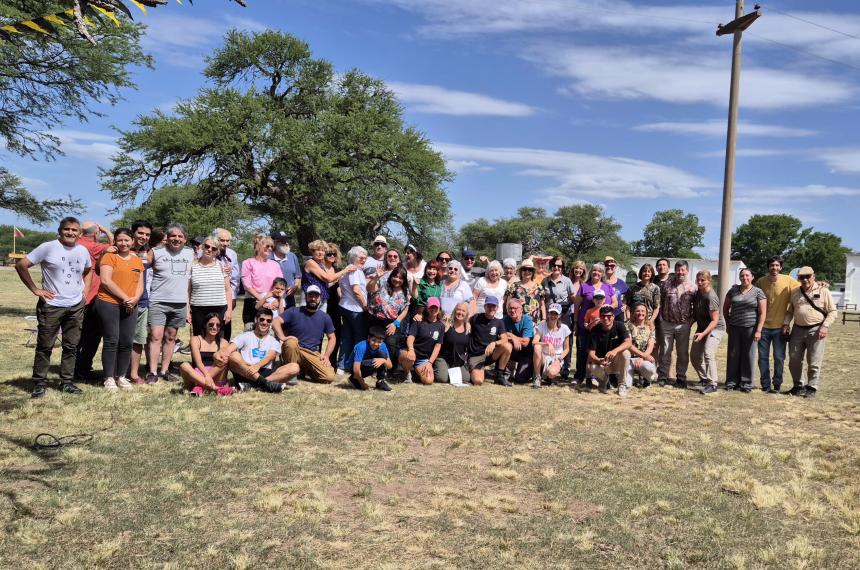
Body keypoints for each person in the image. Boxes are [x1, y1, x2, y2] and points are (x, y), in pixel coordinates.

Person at [17, 217, 92, 398]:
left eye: (75, 230)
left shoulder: (83, 251)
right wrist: (35, 289)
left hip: (75, 305)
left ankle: (67, 382)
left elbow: (89, 270)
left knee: (71, 346)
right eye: (67, 229)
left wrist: (85, 292)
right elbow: (22, 265)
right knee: (45, 346)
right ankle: (39, 383)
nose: (70, 233)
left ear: (80, 234)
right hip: (51, 305)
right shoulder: (48, 247)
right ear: (60, 230)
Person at [95, 228, 144, 391]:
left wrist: (135, 299)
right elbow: (106, 281)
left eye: (127, 240)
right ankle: (109, 377)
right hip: (109, 302)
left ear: (132, 241)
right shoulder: (109, 256)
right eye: (120, 240)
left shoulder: (137, 260)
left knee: (126, 342)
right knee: (111, 340)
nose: (124, 243)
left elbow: (140, 284)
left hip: (131, 304)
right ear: (115, 241)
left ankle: (121, 376)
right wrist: (125, 298)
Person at [146, 223, 194, 384]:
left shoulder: (190, 253)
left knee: (171, 337)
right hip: (158, 300)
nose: (176, 239)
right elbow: (140, 264)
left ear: (185, 239)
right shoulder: (156, 252)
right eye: (173, 236)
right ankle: (152, 371)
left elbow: (207, 261)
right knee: (156, 336)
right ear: (167, 238)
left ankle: (164, 370)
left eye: (180, 236)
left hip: (179, 302)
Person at [783, 266, 837, 399]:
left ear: (814, 276)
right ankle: (798, 386)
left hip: (817, 329)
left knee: (814, 360)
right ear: (798, 278)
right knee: (794, 359)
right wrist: (786, 323)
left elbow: (833, 311)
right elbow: (790, 311)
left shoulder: (823, 290)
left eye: (808, 276)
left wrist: (825, 326)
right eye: (802, 277)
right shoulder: (795, 292)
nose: (805, 279)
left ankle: (812, 387)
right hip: (797, 329)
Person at [73, 220, 113, 381]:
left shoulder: (75, 244)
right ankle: (83, 368)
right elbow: (116, 244)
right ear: (96, 233)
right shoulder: (94, 247)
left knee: (76, 336)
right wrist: (106, 230)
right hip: (91, 297)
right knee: (92, 336)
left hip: (75, 295)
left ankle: (71, 367)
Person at [274, 285, 337, 383]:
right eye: (310, 295)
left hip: (312, 353)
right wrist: (282, 337)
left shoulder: (325, 317)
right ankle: (291, 374)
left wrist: (327, 356)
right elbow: (276, 321)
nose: (313, 299)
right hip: (295, 349)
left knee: (329, 377)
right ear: (306, 297)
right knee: (290, 343)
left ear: (320, 298)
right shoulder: (294, 311)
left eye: (316, 296)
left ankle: (304, 370)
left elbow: (332, 338)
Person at [227, 308, 298, 392]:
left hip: (264, 371)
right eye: (262, 319)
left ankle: (252, 385)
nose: (265, 323)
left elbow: (270, 356)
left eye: (268, 321)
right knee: (233, 355)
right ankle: (265, 384)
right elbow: (229, 349)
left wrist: (258, 365)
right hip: (245, 371)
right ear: (256, 320)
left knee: (294, 367)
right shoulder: (245, 336)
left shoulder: (273, 341)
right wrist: (247, 365)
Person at [755, 257, 798, 393]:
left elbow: (804, 287)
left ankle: (777, 385)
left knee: (779, 358)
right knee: (762, 358)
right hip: (763, 327)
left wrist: (820, 284)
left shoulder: (789, 280)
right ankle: (765, 385)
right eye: (772, 265)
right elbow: (751, 294)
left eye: (777, 265)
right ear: (768, 267)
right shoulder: (761, 281)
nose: (774, 267)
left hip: (780, 327)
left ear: (781, 267)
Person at [723, 268, 767, 393]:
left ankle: (746, 384)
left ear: (752, 277)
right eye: (742, 275)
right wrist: (728, 324)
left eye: (747, 275)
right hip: (735, 328)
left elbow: (763, 313)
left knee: (749, 355)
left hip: (751, 328)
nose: (745, 278)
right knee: (733, 355)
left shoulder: (758, 292)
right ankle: (731, 382)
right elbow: (725, 308)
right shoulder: (733, 290)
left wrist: (758, 330)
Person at [657, 260, 696, 389]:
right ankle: (662, 376)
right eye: (678, 270)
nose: (680, 272)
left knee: (682, 353)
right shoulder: (666, 285)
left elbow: (696, 306)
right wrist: (662, 319)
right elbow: (660, 302)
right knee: (665, 351)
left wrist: (691, 321)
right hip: (667, 323)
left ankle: (681, 377)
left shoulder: (693, 287)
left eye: (683, 270)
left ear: (687, 271)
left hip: (683, 325)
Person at [573, 263, 615, 383]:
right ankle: (579, 376)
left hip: (602, 326)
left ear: (602, 274)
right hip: (585, 325)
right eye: (594, 270)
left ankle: (596, 376)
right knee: (582, 350)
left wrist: (608, 306)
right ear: (591, 272)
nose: (596, 273)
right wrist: (576, 322)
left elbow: (615, 303)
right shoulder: (584, 286)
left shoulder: (608, 287)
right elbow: (576, 306)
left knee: (598, 351)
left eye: (599, 271)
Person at [366, 266, 410, 377]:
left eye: (401, 278)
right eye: (395, 276)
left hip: (391, 322)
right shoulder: (383, 283)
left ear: (404, 280)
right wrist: (376, 277)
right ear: (391, 276)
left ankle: (385, 368)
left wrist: (396, 323)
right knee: (374, 344)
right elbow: (369, 289)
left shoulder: (405, 292)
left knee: (390, 345)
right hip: (375, 319)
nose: (397, 279)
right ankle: (372, 368)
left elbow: (405, 310)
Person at [178, 313, 234, 396]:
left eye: (218, 325)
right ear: (205, 325)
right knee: (184, 365)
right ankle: (216, 389)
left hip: (217, 377)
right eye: (211, 324)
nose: (214, 327)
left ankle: (200, 387)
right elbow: (198, 362)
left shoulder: (224, 342)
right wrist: (207, 376)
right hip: (200, 375)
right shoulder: (196, 340)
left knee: (223, 360)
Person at [688, 270, 725, 395]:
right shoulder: (698, 293)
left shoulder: (711, 297)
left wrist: (703, 334)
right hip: (702, 328)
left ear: (709, 280)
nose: (699, 282)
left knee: (708, 353)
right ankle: (704, 378)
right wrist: (689, 324)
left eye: (702, 280)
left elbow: (715, 320)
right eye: (698, 280)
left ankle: (713, 384)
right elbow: (696, 313)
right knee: (694, 356)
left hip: (716, 328)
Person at [188, 236, 232, 336]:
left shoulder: (222, 266)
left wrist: (229, 310)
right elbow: (188, 291)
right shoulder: (192, 266)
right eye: (207, 246)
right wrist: (187, 311)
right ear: (202, 247)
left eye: (213, 248)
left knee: (219, 339)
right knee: (199, 338)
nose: (209, 250)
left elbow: (228, 290)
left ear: (217, 252)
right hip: (198, 308)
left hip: (219, 308)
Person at [336, 246, 369, 374]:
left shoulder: (349, 270)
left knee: (346, 336)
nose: (363, 260)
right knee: (359, 338)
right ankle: (355, 365)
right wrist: (365, 305)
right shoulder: (354, 270)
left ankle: (342, 365)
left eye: (365, 258)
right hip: (355, 309)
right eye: (361, 258)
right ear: (354, 258)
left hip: (345, 306)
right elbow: (356, 290)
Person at [466, 296, 512, 386]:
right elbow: (467, 319)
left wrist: (494, 343)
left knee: (508, 346)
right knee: (478, 381)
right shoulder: (476, 318)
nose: (491, 308)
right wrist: (467, 323)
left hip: (489, 354)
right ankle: (472, 370)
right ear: (485, 307)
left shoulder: (499, 322)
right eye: (489, 306)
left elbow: (505, 338)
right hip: (476, 355)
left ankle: (499, 376)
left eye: (494, 306)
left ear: (497, 308)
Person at [588, 306, 632, 396]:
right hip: (603, 362)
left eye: (609, 316)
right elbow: (591, 353)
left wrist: (614, 351)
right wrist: (598, 360)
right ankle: (604, 381)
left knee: (626, 353)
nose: (606, 318)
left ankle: (621, 384)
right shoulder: (595, 329)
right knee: (591, 366)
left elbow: (628, 343)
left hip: (617, 361)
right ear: (599, 317)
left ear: (613, 316)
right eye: (603, 316)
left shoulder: (619, 325)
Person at [129, 220, 153, 383]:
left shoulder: (147, 252)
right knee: (118, 340)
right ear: (133, 233)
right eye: (140, 233)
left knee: (138, 340)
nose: (143, 237)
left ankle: (133, 374)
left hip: (142, 301)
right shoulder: (121, 249)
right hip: (121, 301)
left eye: (147, 234)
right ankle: (115, 373)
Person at [400, 297, 444, 385]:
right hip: (412, 352)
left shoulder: (441, 326)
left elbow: (437, 346)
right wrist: (411, 350)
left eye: (436, 307)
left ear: (439, 309)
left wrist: (430, 363)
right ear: (427, 308)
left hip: (423, 359)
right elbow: (410, 337)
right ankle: (406, 373)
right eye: (431, 307)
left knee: (428, 381)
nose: (433, 309)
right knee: (408, 357)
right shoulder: (419, 320)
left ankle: (415, 372)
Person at [302, 239, 355, 312]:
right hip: (312, 299)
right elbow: (328, 278)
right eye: (318, 250)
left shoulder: (319, 264)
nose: (321, 253)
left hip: (322, 298)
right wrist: (346, 270)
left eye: (323, 250)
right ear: (312, 251)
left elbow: (326, 284)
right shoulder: (310, 263)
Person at [240, 235, 282, 327]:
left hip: (272, 304)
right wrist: (263, 301)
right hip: (252, 303)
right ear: (258, 246)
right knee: (251, 333)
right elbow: (247, 286)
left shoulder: (275, 265)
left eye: (271, 246)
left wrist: (278, 301)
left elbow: (281, 285)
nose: (270, 248)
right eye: (267, 246)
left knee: (272, 335)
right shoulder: (247, 263)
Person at [532, 303, 571, 389]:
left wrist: (559, 359)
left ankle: (548, 375)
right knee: (537, 347)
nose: (553, 316)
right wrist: (547, 343)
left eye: (555, 314)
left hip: (557, 357)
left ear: (559, 315)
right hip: (543, 356)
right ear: (548, 313)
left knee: (551, 372)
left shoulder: (564, 329)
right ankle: (537, 377)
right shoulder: (542, 326)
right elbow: (534, 342)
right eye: (551, 313)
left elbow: (567, 349)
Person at [213, 228, 241, 339]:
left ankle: (224, 348)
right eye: (222, 240)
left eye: (227, 240)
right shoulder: (207, 250)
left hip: (227, 295)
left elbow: (236, 278)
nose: (225, 243)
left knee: (225, 323)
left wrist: (233, 297)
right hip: (211, 295)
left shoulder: (232, 254)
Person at [347, 325, 394, 391]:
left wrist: (383, 360)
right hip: (354, 367)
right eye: (373, 340)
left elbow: (390, 366)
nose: (376, 344)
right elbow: (356, 368)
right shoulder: (362, 346)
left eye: (379, 342)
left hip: (368, 364)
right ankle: (355, 379)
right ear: (368, 338)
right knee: (373, 362)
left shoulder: (383, 346)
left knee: (382, 355)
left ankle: (380, 381)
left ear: (382, 341)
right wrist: (362, 384)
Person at [503, 298, 535, 384]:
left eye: (515, 308)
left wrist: (512, 336)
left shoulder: (527, 320)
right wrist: (513, 339)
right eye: (510, 308)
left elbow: (525, 342)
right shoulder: (505, 320)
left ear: (521, 309)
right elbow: (501, 336)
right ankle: (506, 370)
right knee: (504, 346)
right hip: (512, 352)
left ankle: (530, 370)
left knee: (520, 379)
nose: (512, 310)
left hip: (526, 353)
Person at [626, 302, 657, 389]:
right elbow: (629, 345)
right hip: (630, 358)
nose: (641, 313)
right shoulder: (628, 326)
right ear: (633, 313)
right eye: (638, 311)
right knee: (627, 386)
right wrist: (642, 355)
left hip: (643, 359)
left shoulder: (650, 327)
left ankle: (647, 380)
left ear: (646, 313)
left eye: (643, 311)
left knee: (650, 367)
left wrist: (642, 357)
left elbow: (650, 346)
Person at [270, 230, 302, 309]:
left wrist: (295, 286)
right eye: (283, 241)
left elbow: (298, 277)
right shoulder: (268, 258)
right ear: (274, 243)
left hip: (289, 299)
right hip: (272, 300)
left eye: (287, 241)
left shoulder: (292, 256)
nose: (286, 243)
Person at [624, 263, 660, 328]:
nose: (646, 273)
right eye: (644, 271)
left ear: (652, 274)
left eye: (649, 271)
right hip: (633, 321)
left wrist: (651, 321)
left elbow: (656, 307)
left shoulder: (655, 288)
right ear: (641, 273)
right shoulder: (633, 288)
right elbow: (628, 306)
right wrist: (629, 318)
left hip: (648, 321)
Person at [603, 256, 628, 323]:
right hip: (603, 315)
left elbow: (630, 295)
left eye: (612, 265)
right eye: (607, 265)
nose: (609, 267)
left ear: (615, 267)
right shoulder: (600, 282)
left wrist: (626, 305)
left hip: (618, 315)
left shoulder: (621, 283)